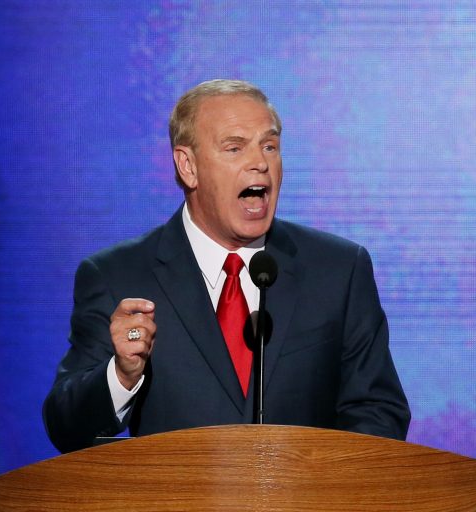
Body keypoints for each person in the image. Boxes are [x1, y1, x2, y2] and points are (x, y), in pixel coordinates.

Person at [43, 79, 410, 453]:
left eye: (270, 146)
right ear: (188, 167)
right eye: (235, 148)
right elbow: (65, 426)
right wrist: (121, 375)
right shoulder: (117, 276)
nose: (260, 163)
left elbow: (378, 411)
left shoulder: (338, 269)